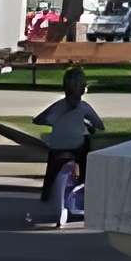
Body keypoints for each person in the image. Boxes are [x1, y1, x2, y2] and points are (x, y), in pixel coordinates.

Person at [30, 65, 102, 227]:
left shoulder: (57, 106)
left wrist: (49, 121)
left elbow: (39, 119)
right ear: (83, 89)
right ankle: (83, 183)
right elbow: (99, 124)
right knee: (86, 149)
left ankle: (48, 192)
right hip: (76, 146)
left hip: (58, 147)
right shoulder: (84, 107)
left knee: (53, 162)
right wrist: (88, 123)